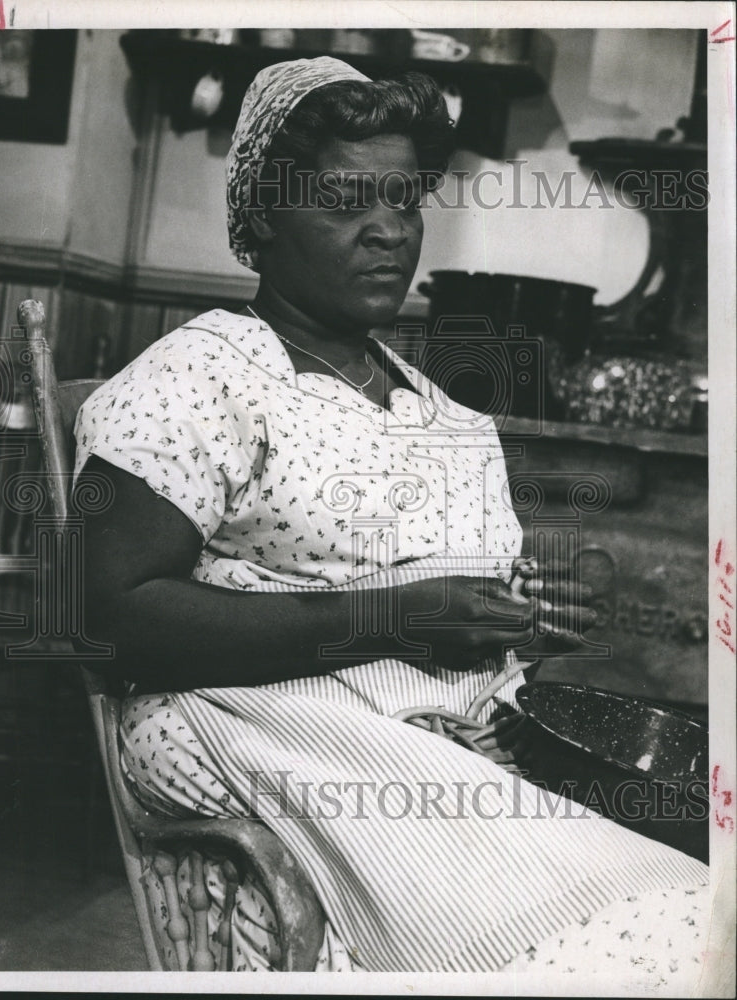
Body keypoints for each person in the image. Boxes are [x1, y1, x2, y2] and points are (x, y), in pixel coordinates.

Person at [73, 57, 708, 975]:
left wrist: (522, 621)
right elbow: (107, 616)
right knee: (638, 944)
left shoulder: (442, 415)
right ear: (263, 215)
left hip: (451, 748)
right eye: (345, 201)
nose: (389, 231)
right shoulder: (204, 376)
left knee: (683, 913)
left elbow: (463, 620)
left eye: (406, 200)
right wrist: (398, 618)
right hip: (296, 736)